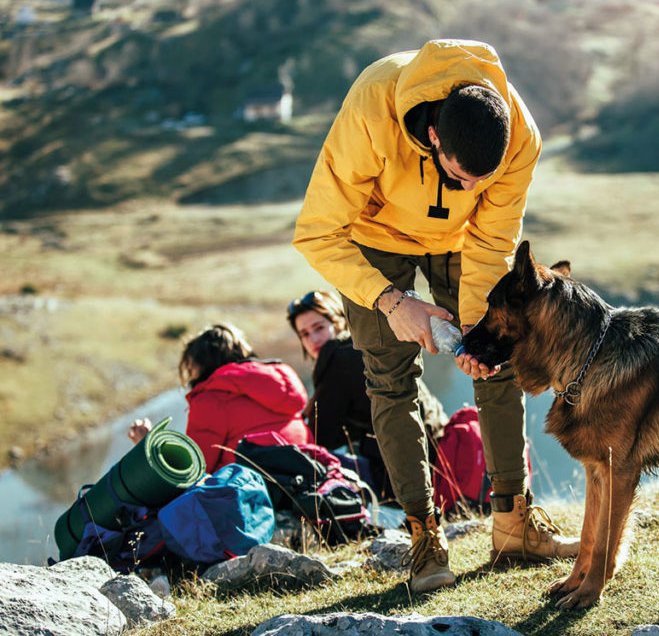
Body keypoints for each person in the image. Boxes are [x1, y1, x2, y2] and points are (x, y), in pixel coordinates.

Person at [292, 38, 578, 593]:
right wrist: (391, 302)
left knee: (497, 359)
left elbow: (494, 238)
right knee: (390, 382)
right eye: (460, 174)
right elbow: (317, 232)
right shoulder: (371, 109)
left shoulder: (520, 136)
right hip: (375, 238)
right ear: (432, 136)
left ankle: (513, 522)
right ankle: (425, 536)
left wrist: (474, 330)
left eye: (481, 181)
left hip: (462, 241)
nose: (471, 187)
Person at [285, 289, 447, 504]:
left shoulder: (338, 357)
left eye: (319, 328)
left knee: (304, 465)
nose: (313, 339)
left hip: (400, 474)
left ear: (340, 322)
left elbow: (320, 435)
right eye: (304, 334)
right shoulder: (369, 345)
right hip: (433, 449)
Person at [129, 323, 312, 473]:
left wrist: (149, 445)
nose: (191, 378)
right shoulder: (280, 382)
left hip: (251, 496)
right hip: (304, 480)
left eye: (190, 369)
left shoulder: (211, 398)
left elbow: (193, 470)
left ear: (199, 365)